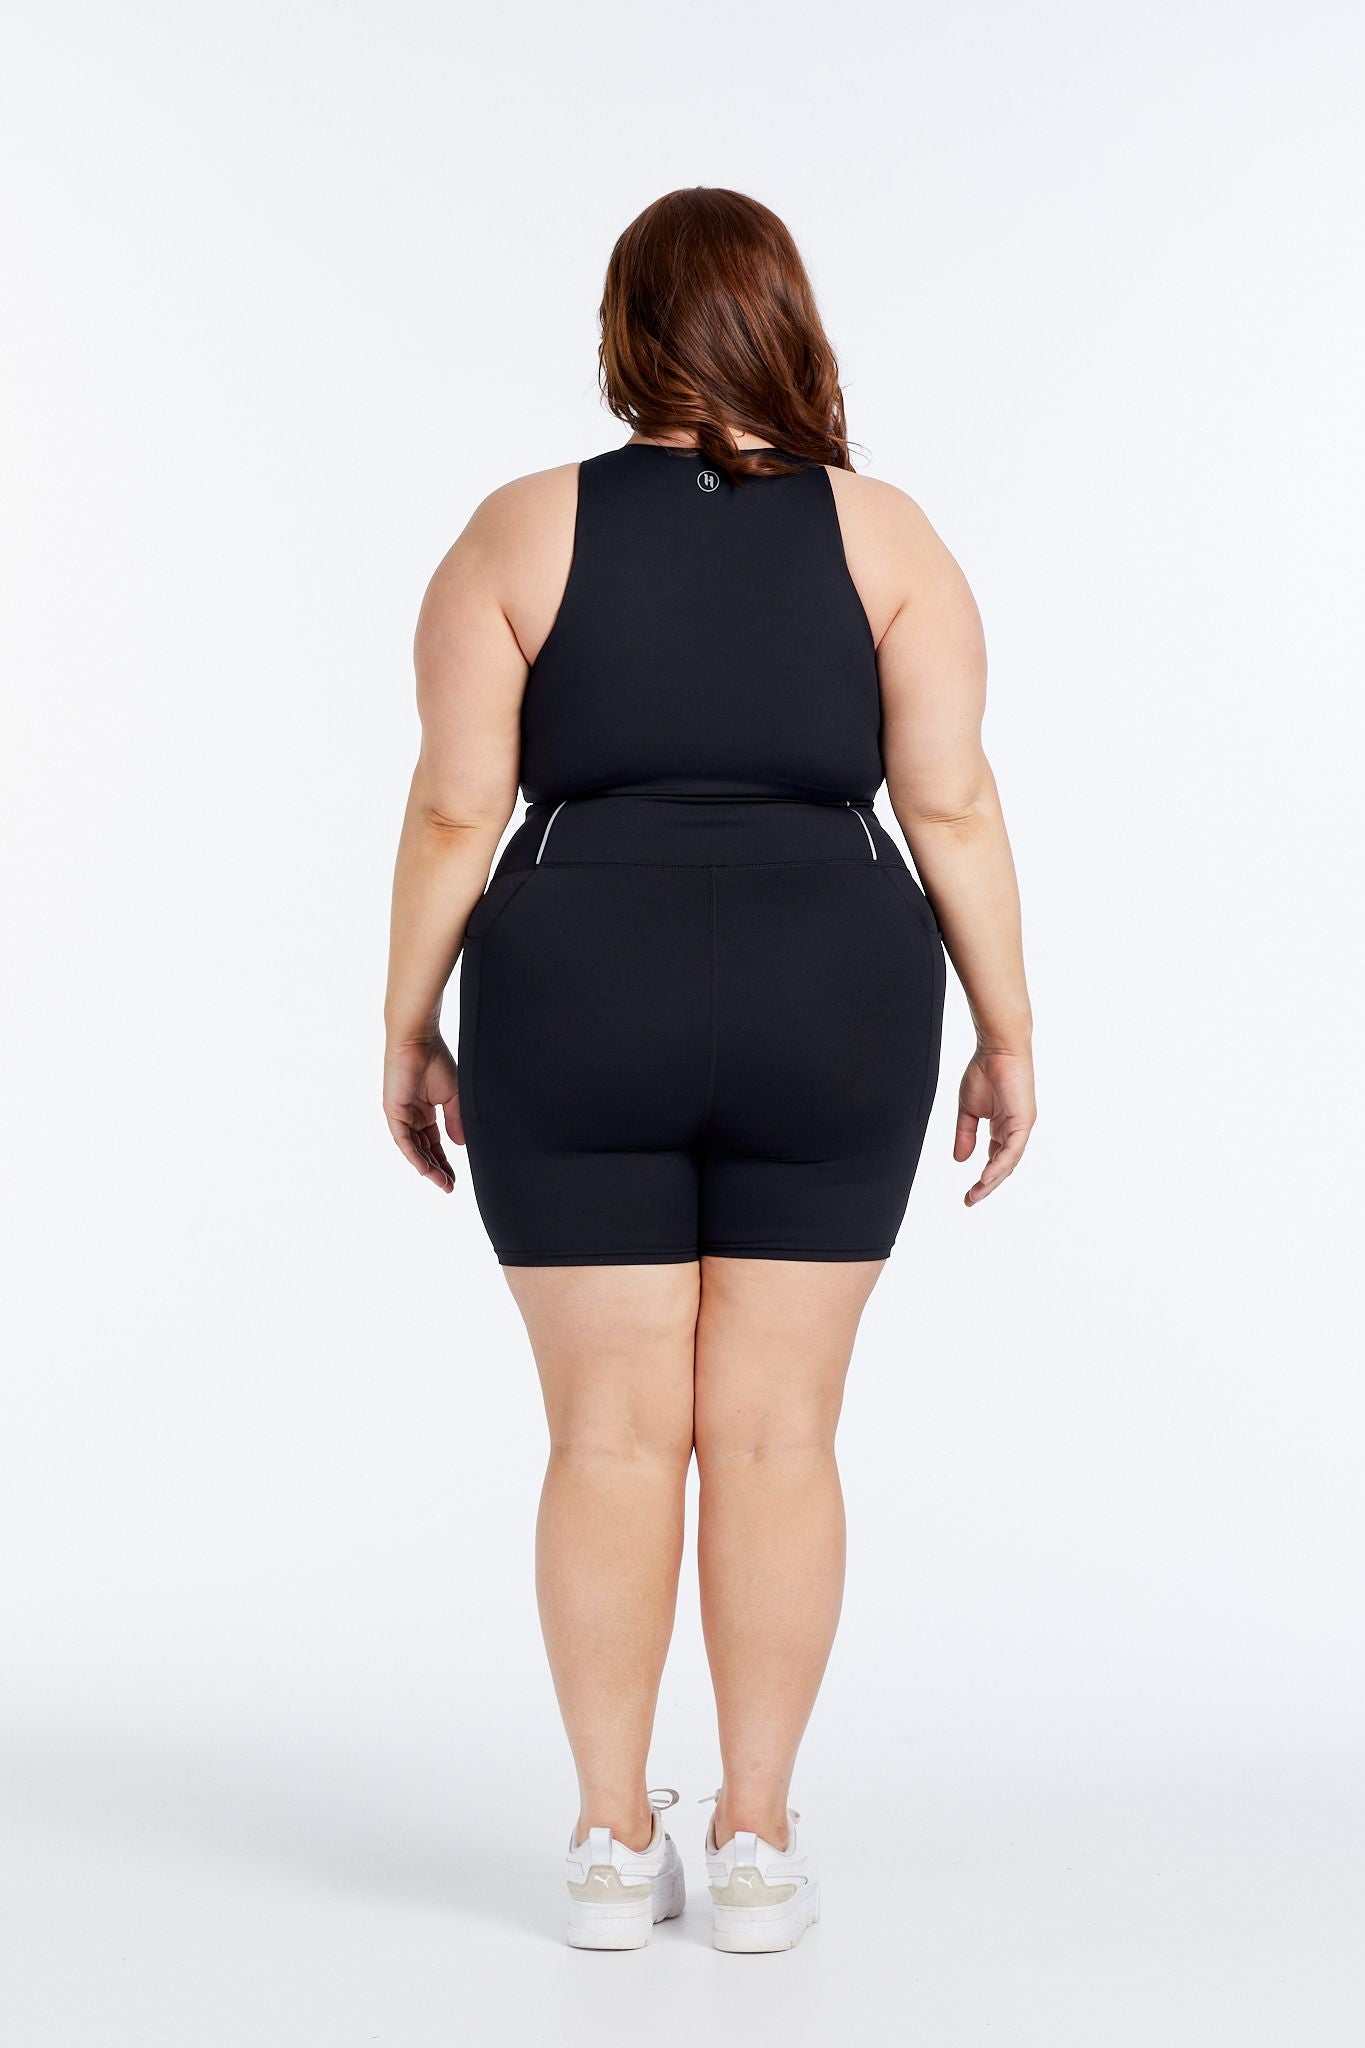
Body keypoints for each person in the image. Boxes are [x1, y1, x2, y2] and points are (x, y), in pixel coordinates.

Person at [383, 186, 1035, 1953]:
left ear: (625, 330)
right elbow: (949, 803)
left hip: (574, 986)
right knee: (773, 1435)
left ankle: (611, 1848)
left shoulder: (518, 529)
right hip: (834, 988)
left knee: (607, 1436)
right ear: (786, 321)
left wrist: (407, 1024)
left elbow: (454, 808)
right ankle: (751, 1844)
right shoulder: (887, 536)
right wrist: (1004, 1031)